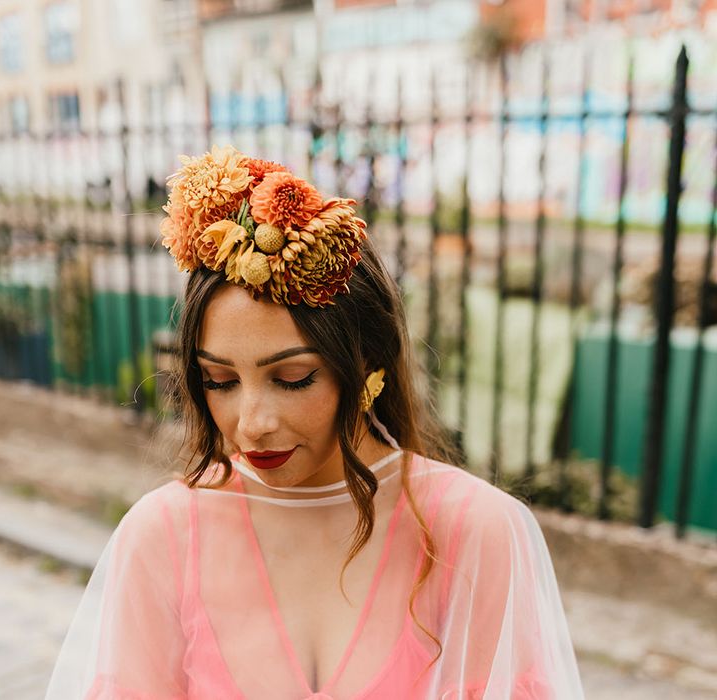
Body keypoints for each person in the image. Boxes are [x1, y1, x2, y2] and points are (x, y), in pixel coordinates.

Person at [46, 146, 585, 699]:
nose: (251, 423)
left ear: (369, 366)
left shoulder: (476, 533)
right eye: (221, 382)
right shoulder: (161, 538)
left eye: (293, 377)